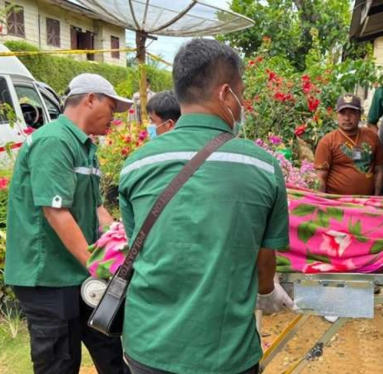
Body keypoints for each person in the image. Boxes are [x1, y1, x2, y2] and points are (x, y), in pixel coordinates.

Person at [118, 39, 295, 374]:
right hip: (224, 355)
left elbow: (139, 247)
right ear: (226, 94)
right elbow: (263, 265)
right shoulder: (261, 166)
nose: (242, 105)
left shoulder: (135, 165)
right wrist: (268, 292)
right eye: (241, 95)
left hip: (147, 348)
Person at [5, 73, 133, 374]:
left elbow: (97, 208)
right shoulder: (54, 141)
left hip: (76, 273)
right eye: (112, 109)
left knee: (109, 349)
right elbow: (56, 212)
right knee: (60, 362)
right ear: (90, 99)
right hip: (48, 277)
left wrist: (119, 242)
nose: (113, 119)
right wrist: (97, 264)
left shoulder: (85, 147)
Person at [315, 93, 383, 196]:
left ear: (359, 115)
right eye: (343, 113)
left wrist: (377, 196)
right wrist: (322, 203)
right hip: (337, 202)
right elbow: (321, 177)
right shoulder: (327, 141)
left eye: (352, 113)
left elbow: (379, 169)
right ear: (337, 115)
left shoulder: (372, 136)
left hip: (367, 202)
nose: (347, 118)